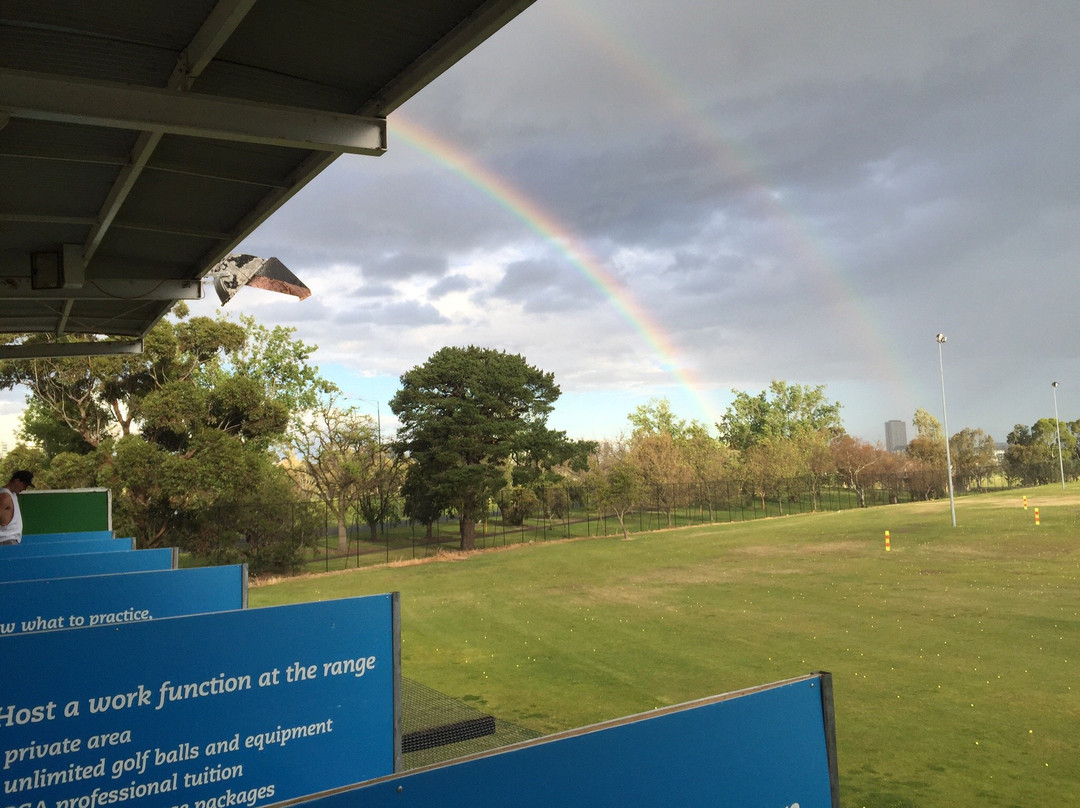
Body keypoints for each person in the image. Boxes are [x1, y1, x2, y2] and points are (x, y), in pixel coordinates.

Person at [0, 470, 34, 545]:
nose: (24, 489)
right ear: (17, 481)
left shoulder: (12, 494)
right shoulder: (5, 496)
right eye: (24, 485)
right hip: (6, 540)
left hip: (10, 539)